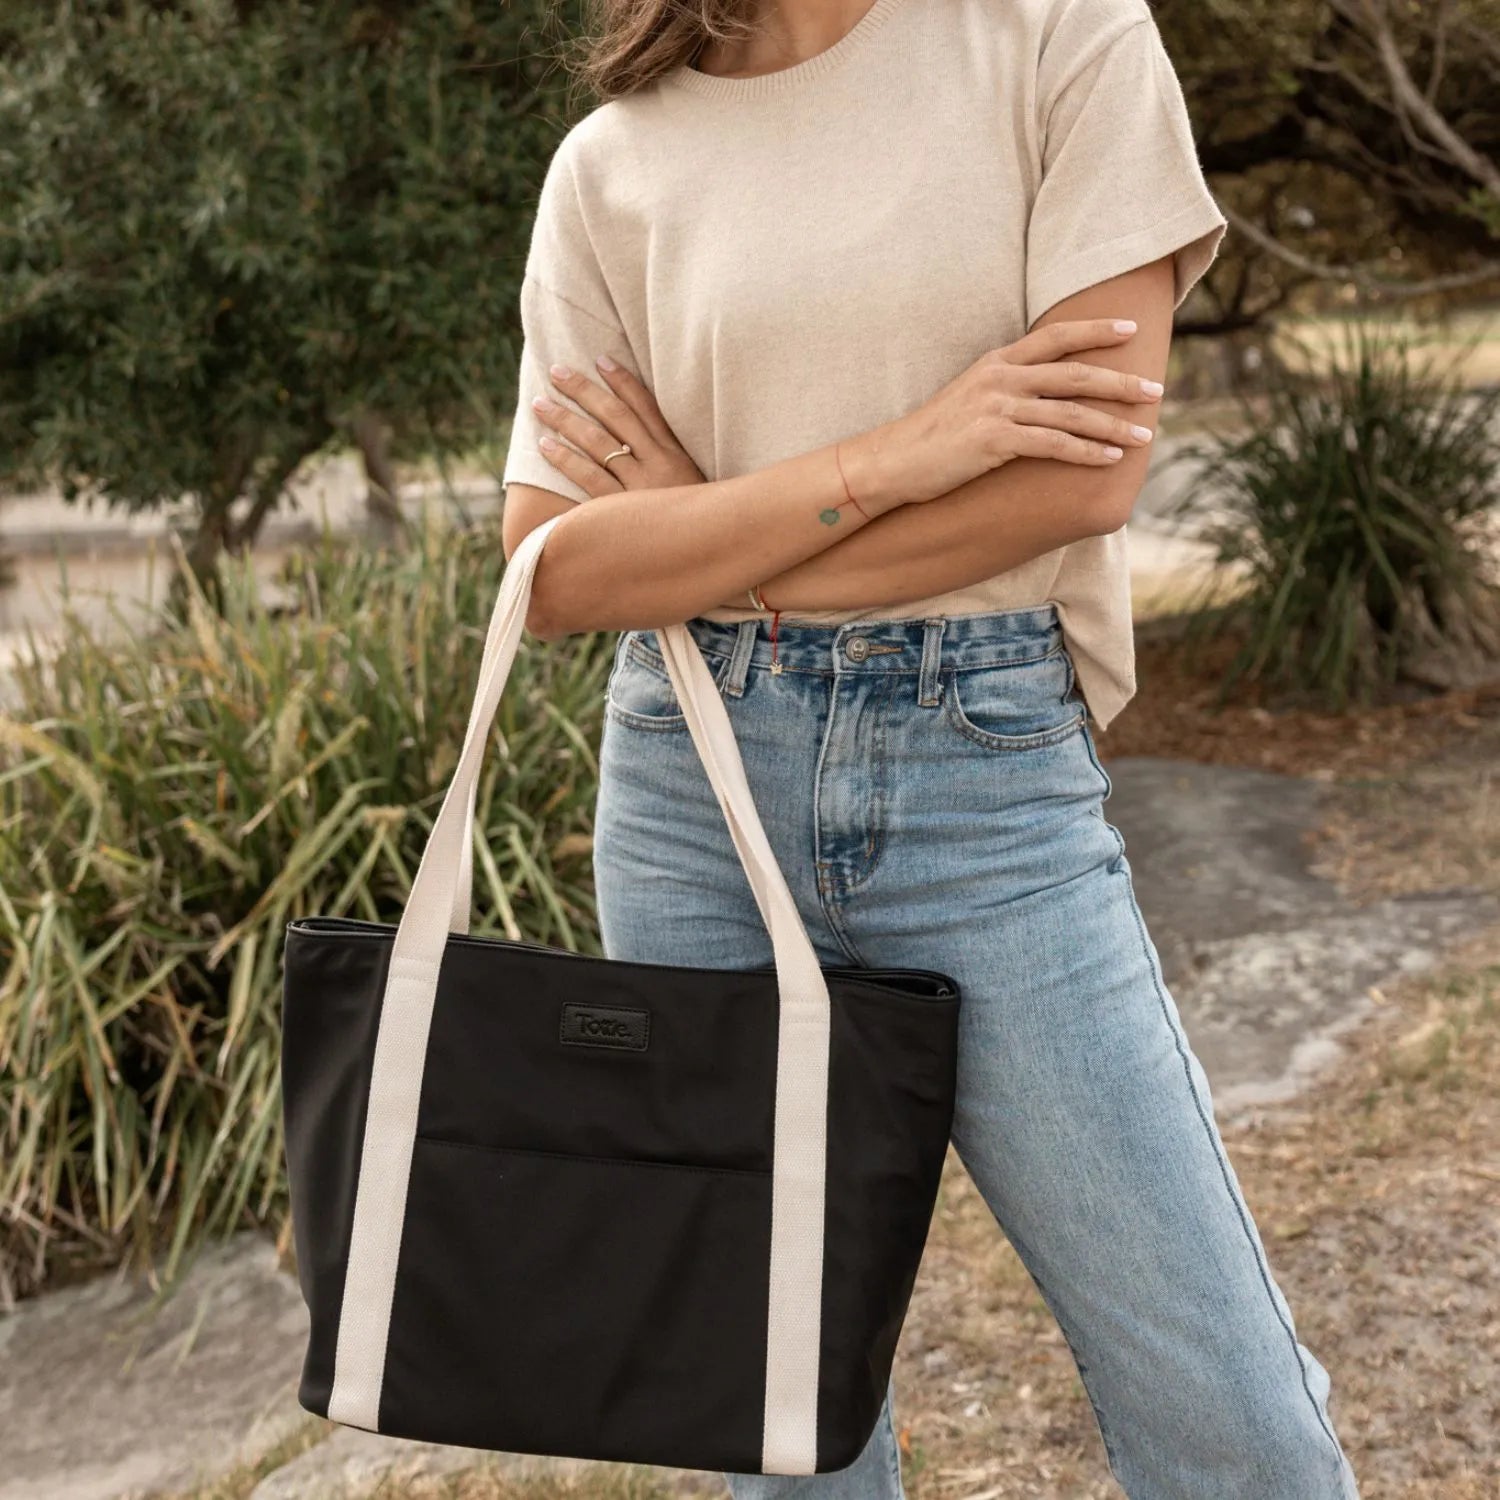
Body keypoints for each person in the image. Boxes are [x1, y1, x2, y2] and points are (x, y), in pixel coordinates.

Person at [499, 0, 1361, 1495]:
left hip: (984, 783)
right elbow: (554, 571)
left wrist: (708, 540)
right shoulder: (610, 163)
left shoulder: (1062, 41)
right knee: (780, 1432)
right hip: (691, 804)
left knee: (1232, 1414)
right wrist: (896, 459)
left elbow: (1079, 480)